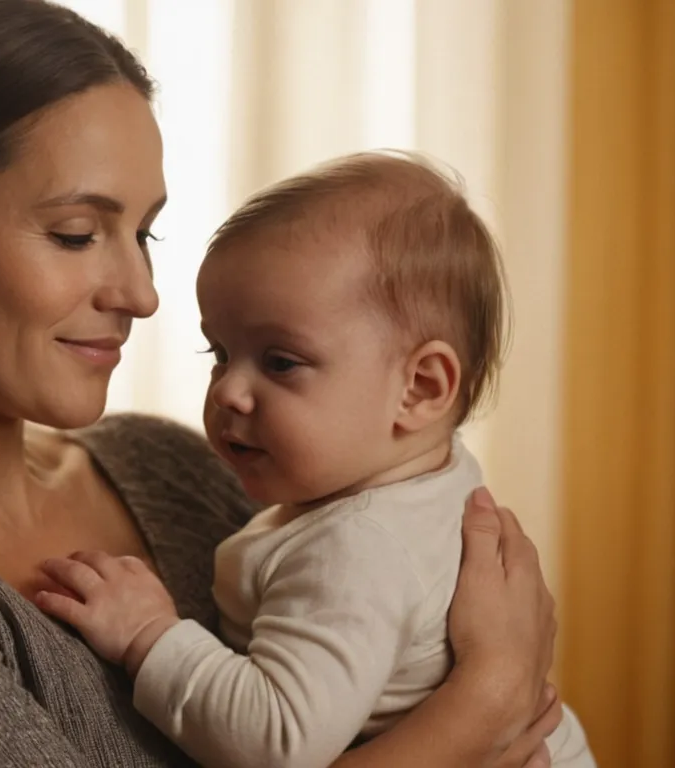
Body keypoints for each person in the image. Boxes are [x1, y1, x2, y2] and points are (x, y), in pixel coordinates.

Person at [0, 1, 564, 765]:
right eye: (76, 233)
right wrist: (481, 705)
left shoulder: (171, 467)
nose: (139, 293)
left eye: (146, 234)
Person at [34, 151, 595, 768]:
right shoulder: (420, 485)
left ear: (422, 388)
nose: (228, 391)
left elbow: (277, 742)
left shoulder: (358, 549)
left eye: (280, 362)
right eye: (219, 352)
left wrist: (150, 637)